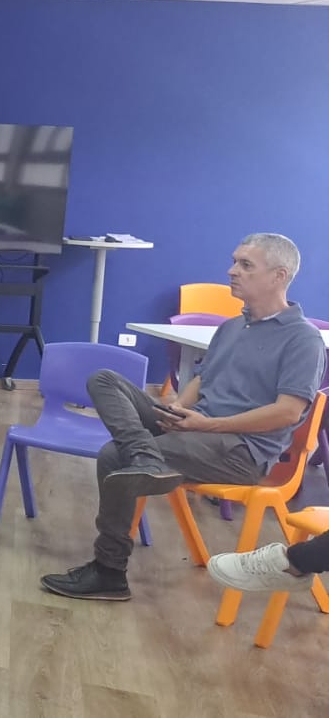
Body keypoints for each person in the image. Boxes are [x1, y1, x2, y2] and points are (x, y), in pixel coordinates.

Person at [42, 233, 326, 601]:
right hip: (195, 427)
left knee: (115, 455)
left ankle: (109, 571)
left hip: (240, 451)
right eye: (234, 261)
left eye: (245, 265)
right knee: (104, 379)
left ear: (279, 276)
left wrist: (207, 424)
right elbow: (204, 378)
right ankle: (145, 456)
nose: (232, 271)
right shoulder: (231, 327)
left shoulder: (303, 340)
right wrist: (179, 408)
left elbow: (288, 412)